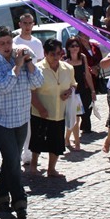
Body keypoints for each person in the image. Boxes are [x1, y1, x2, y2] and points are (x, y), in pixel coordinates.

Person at [0, 26, 44, 219]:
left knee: (11, 161)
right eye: (2, 43)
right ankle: (20, 202)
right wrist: (17, 67)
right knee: (13, 161)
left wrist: (28, 64)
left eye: (9, 42)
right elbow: (4, 87)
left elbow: (38, 82)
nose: (7, 46)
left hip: (20, 119)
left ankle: (1, 195)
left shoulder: (23, 56)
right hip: (0, 121)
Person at [29, 39, 75, 177]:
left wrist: (70, 91)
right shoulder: (36, 69)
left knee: (56, 142)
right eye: (52, 54)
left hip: (59, 112)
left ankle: (51, 169)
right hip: (40, 112)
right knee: (37, 141)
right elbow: (31, 92)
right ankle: (33, 164)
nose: (56, 57)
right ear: (45, 53)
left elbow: (73, 84)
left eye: (59, 54)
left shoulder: (68, 68)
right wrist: (40, 108)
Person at [13, 13, 44, 166]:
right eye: (24, 23)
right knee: (20, 121)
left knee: (34, 121)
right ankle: (19, 152)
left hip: (35, 85)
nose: (27, 26)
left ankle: (30, 152)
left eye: (30, 23)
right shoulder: (14, 42)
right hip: (19, 86)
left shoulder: (37, 43)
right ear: (20, 24)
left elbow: (40, 65)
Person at [63, 37, 95, 150]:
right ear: (68, 48)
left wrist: (93, 90)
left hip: (83, 90)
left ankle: (67, 138)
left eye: (77, 45)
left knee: (78, 117)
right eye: (72, 46)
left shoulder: (83, 57)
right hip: (72, 92)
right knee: (75, 118)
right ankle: (77, 142)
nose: (75, 48)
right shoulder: (65, 61)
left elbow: (87, 74)